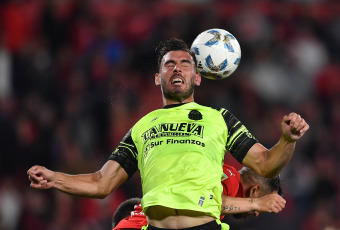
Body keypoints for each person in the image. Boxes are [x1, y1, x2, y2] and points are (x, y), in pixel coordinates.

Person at [27, 38, 309, 230]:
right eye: (169, 64)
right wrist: (55, 178)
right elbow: (101, 183)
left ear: (197, 77)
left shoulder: (219, 118)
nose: (177, 68)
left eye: (185, 64)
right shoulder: (141, 126)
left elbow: (266, 164)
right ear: (158, 78)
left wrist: (287, 140)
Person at [112, 164, 285, 230]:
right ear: (254, 191)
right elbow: (207, 203)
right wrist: (256, 204)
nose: (256, 213)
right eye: (262, 207)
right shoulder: (230, 179)